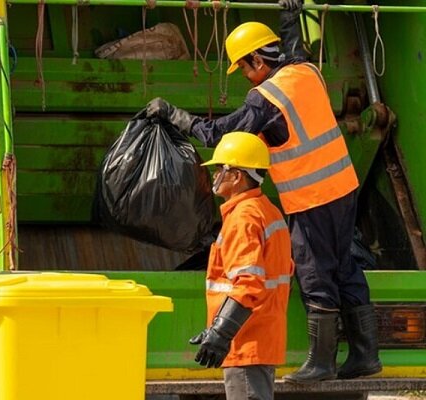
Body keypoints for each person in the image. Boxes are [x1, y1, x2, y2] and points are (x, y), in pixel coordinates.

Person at [147, 0, 382, 384]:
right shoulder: (307, 71)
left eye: (242, 66)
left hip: (311, 197)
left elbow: (222, 135)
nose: (243, 75)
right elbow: (294, 48)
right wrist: (290, 17)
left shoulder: (265, 97)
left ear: (257, 59)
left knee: (314, 271)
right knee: (345, 265)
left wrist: (174, 115)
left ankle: (321, 363)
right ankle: (364, 355)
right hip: (343, 187)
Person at [189, 132, 293, 400]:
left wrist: (222, 333)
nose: (214, 177)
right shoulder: (266, 210)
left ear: (236, 176)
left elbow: (248, 282)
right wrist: (217, 328)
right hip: (257, 338)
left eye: (219, 169)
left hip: (246, 341)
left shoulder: (243, 219)